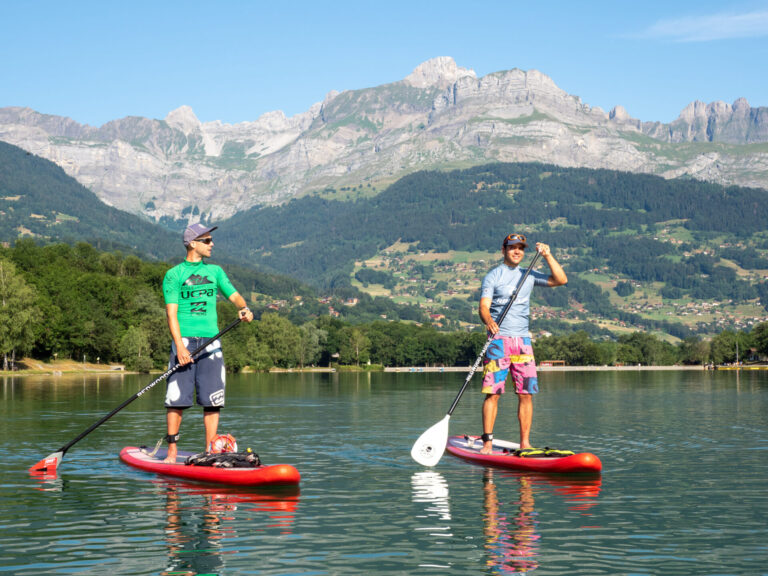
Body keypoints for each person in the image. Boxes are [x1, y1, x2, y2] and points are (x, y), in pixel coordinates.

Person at [161, 222, 254, 463]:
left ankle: (211, 452)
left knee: (212, 400)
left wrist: (243, 308)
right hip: (184, 341)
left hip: (211, 342)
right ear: (193, 244)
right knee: (177, 399)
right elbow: (171, 314)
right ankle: (171, 453)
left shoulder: (216, 272)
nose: (212, 244)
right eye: (207, 240)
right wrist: (180, 347)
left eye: (211, 240)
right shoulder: (174, 275)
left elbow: (233, 295)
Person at [478, 233, 567, 455]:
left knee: (526, 394)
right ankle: (487, 442)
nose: (517, 251)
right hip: (498, 341)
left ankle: (525, 443)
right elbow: (483, 307)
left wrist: (547, 255)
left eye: (521, 248)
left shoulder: (529, 275)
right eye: (512, 247)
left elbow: (560, 280)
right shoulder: (493, 276)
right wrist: (488, 321)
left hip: (523, 343)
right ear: (503, 250)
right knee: (493, 393)